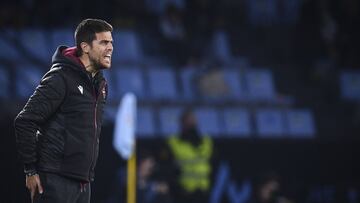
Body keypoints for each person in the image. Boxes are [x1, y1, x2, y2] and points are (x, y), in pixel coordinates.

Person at [14, 18, 113, 203]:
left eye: (111, 43)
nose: (110, 48)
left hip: (83, 182)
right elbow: (25, 121)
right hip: (54, 179)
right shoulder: (60, 77)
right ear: (85, 47)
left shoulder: (101, 84)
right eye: (104, 42)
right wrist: (30, 170)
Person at [165, 109, 213, 203]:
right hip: (183, 193)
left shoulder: (207, 142)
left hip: (203, 192)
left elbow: (213, 165)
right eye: (189, 121)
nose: (192, 124)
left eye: (193, 121)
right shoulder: (173, 143)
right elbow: (168, 169)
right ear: (182, 124)